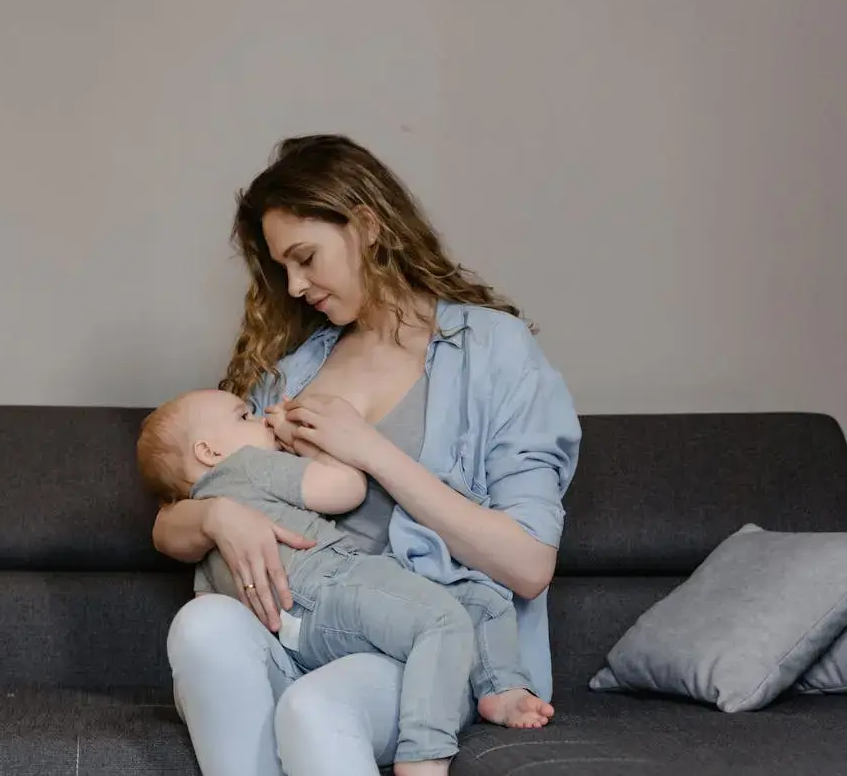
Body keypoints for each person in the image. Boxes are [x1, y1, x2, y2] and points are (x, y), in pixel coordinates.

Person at [152, 134, 581, 776]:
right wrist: (216, 516)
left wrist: (372, 451)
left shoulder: (493, 351)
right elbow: (171, 518)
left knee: (316, 708)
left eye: (306, 258)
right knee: (202, 625)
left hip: (424, 643)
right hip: (299, 630)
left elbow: (529, 565)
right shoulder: (295, 372)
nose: (295, 286)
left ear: (368, 225)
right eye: (283, 268)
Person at [137, 388, 550, 774]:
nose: (261, 418)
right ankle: (426, 752)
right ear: (209, 451)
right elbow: (345, 488)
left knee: (476, 598)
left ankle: (498, 687)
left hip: (289, 630)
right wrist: (319, 449)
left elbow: (210, 607)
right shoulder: (249, 462)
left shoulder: (210, 533)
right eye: (245, 416)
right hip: (332, 584)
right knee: (448, 618)